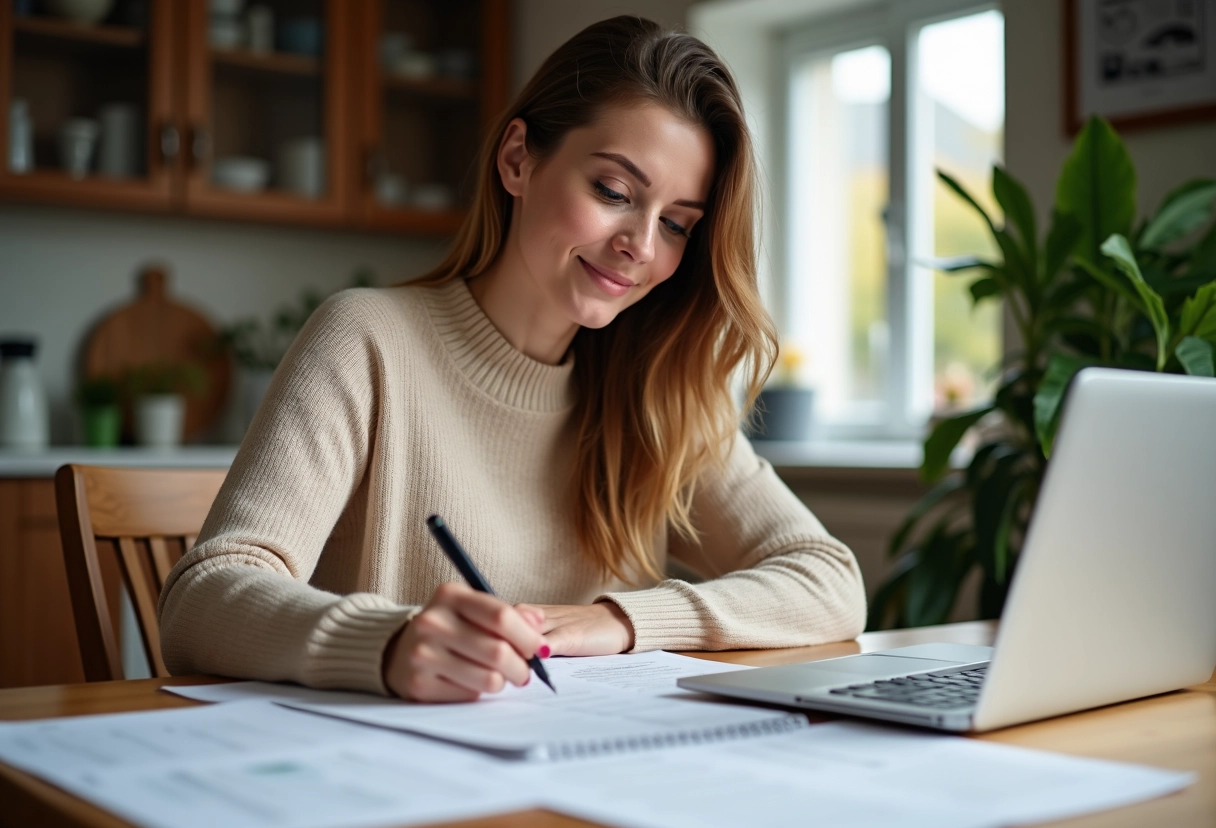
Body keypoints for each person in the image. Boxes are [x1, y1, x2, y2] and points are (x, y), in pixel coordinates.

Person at [158, 16, 866, 703]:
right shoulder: (368, 341)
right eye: (614, 192)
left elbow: (830, 581)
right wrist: (387, 642)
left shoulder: (660, 390)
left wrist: (618, 621)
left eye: (677, 224)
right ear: (518, 159)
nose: (642, 246)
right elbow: (202, 600)